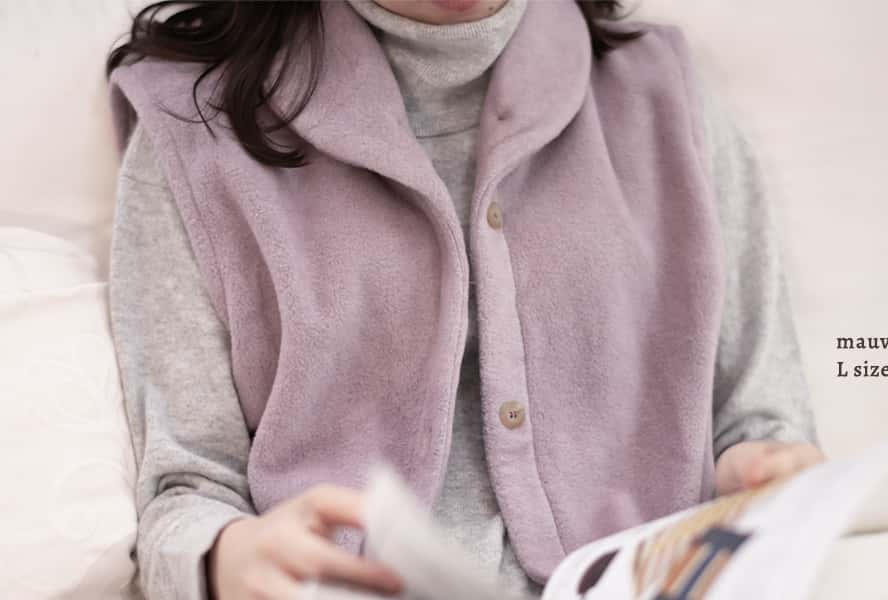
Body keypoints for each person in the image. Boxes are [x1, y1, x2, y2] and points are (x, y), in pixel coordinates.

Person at [105, 1, 823, 598]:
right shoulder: (192, 126)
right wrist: (228, 557)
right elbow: (183, 491)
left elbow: (762, 419)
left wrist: (759, 469)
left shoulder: (669, 94)